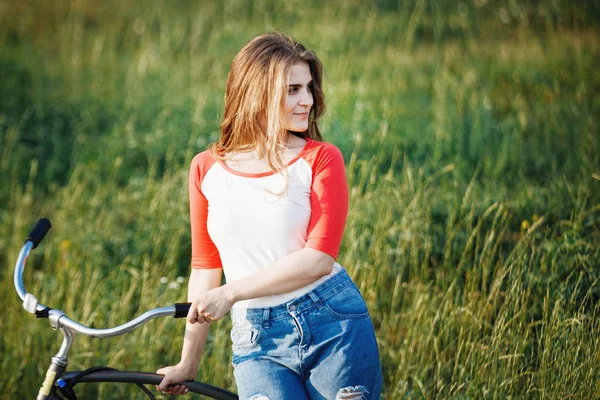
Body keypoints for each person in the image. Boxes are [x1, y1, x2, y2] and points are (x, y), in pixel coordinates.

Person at [156, 31, 383, 399]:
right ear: (257, 93)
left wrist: (231, 293)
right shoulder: (206, 168)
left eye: (309, 88)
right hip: (256, 337)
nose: (307, 100)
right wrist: (188, 362)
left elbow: (319, 260)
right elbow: (205, 268)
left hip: (331, 323)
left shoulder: (321, 159)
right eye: (292, 89)